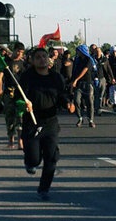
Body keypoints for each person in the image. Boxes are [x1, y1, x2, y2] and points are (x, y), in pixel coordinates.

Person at [19, 48, 75, 200]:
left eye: (44, 56)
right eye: (38, 57)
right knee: (34, 159)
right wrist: (23, 104)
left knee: (51, 157)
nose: (42, 59)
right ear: (32, 60)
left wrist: (68, 103)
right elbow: (17, 97)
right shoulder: (27, 77)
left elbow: (62, 94)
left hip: (50, 122)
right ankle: (30, 162)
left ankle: (44, 189)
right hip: (32, 122)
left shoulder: (56, 77)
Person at [2, 42, 27, 149]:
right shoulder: (5, 62)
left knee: (20, 117)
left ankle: (20, 141)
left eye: (22, 53)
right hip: (9, 93)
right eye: (18, 51)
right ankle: (11, 139)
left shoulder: (23, 64)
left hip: (20, 94)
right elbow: (0, 75)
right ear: (14, 50)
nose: (19, 54)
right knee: (9, 117)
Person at [71, 44, 97, 128]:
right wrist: (72, 81)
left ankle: (91, 120)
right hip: (78, 85)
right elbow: (74, 71)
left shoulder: (88, 59)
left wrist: (76, 79)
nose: (77, 52)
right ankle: (80, 118)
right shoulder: (77, 60)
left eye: (78, 50)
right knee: (77, 101)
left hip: (87, 83)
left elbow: (85, 70)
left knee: (89, 102)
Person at [93, 47, 113, 116]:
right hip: (94, 79)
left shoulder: (104, 59)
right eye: (96, 51)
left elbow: (108, 68)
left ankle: (99, 107)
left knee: (101, 94)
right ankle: (97, 108)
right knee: (96, 94)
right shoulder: (92, 59)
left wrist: (112, 77)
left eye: (99, 51)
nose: (98, 52)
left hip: (102, 78)